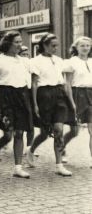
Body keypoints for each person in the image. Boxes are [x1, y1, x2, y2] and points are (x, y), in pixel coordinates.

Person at [27, 33, 75, 176]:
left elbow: (66, 81)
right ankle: (31, 150)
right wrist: (35, 103)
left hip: (59, 95)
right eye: (52, 46)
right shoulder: (35, 61)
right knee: (44, 133)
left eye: (56, 46)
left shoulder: (59, 60)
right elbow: (34, 83)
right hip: (44, 96)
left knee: (59, 129)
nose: (55, 48)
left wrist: (70, 101)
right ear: (44, 45)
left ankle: (59, 165)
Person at [0, 31, 33, 178]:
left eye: (21, 42)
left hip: (21, 96)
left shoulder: (24, 61)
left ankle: (18, 168)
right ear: (8, 43)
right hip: (5, 96)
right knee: (8, 133)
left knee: (20, 132)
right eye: (16, 42)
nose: (19, 45)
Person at [63, 36, 92, 168]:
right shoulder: (71, 62)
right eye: (82, 46)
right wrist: (71, 102)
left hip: (90, 94)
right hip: (76, 94)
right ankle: (61, 146)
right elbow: (67, 84)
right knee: (75, 131)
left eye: (87, 45)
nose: (85, 48)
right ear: (76, 47)